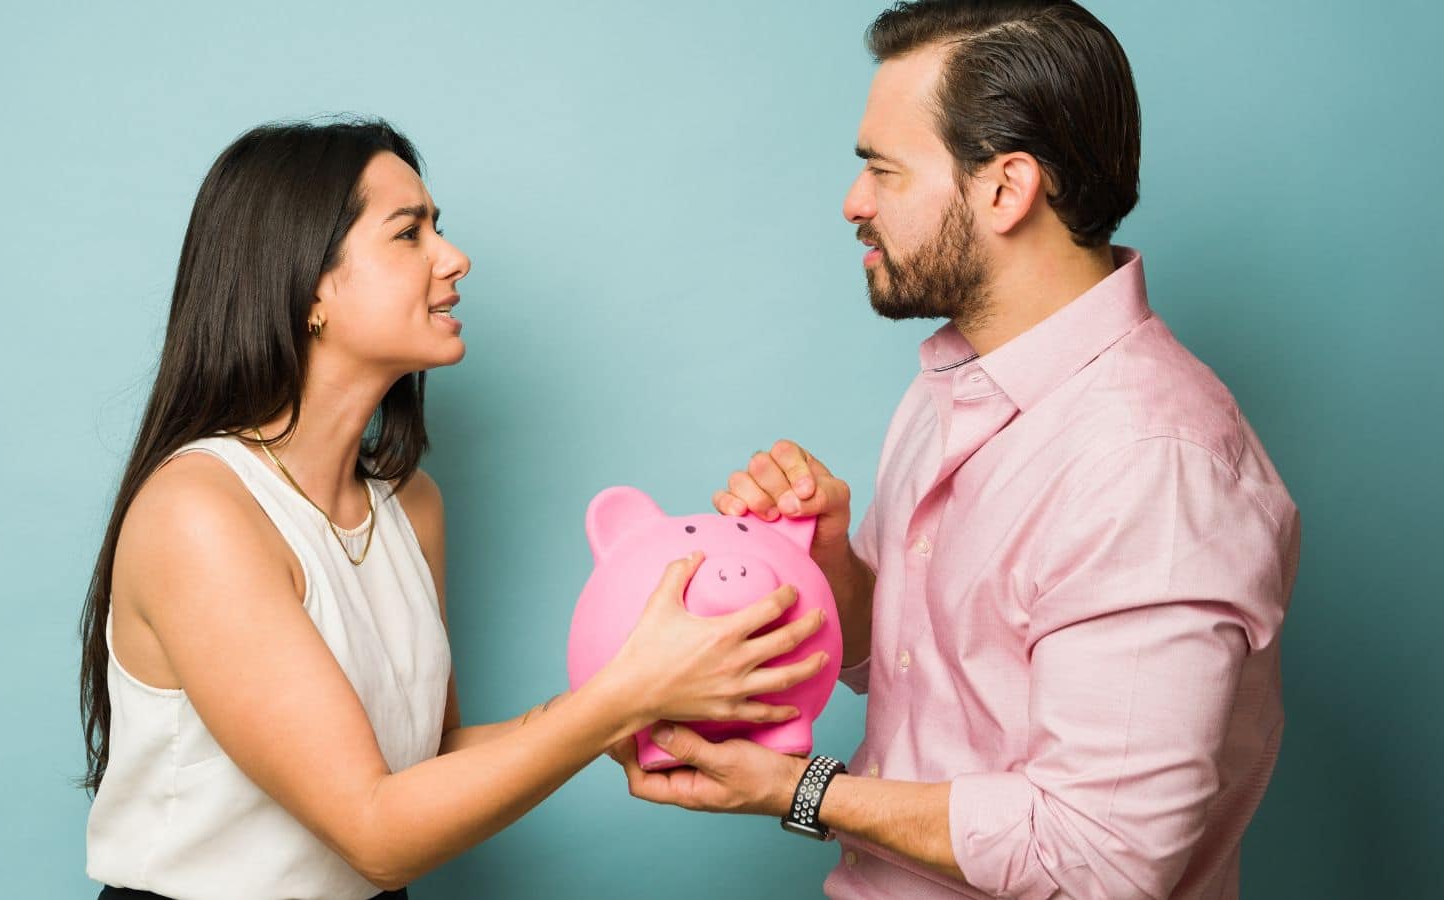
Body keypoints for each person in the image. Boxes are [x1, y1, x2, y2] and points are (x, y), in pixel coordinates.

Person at [612, 3, 1301, 898]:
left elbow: (1099, 856)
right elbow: (918, 669)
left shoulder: (1150, 466)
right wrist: (835, 575)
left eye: (884, 171)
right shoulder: (953, 381)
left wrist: (801, 789)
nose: (854, 202)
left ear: (1006, 189)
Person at [77, 119, 830, 900]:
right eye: (410, 233)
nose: (453, 257)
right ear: (308, 290)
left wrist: (643, 704)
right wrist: (622, 698)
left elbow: (427, 759)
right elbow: (375, 831)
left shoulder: (411, 504)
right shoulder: (199, 511)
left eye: (440, 226)